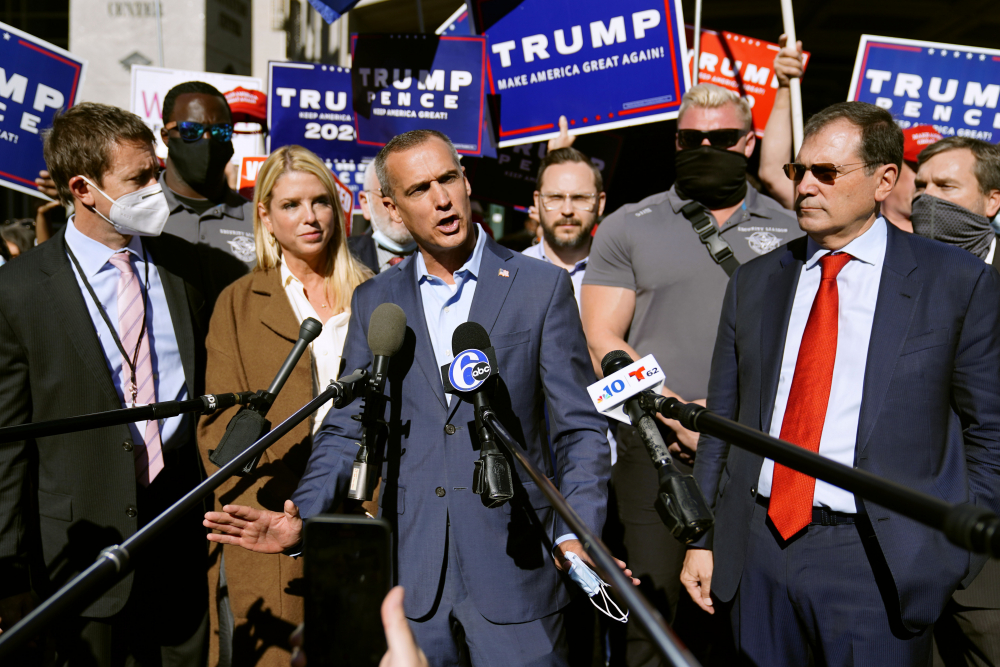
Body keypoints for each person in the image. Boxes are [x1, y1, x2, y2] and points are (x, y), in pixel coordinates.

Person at [204, 129, 635, 666]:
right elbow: (345, 426)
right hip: (412, 580)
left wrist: (577, 534)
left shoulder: (539, 287)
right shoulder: (377, 301)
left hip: (519, 570)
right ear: (392, 207)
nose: (440, 198)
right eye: (419, 189)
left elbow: (580, 430)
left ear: (465, 179)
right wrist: (305, 514)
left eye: (448, 178)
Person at [683, 101, 1000, 665]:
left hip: (881, 559)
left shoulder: (956, 283)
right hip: (757, 550)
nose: (805, 186)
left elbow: (989, 430)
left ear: (884, 180)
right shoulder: (756, 282)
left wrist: (952, 552)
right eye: (797, 171)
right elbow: (723, 428)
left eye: (826, 173)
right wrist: (702, 538)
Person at [581, 82, 800, 667]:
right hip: (653, 449)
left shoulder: (792, 228)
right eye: (691, 138)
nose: (706, 146)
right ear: (674, 141)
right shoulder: (629, 225)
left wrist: (726, 426)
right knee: (651, 618)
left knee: (746, 616)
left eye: (722, 138)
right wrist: (679, 413)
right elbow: (600, 339)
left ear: (748, 143)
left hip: (758, 452)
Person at [0, 102, 219, 665]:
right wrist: (8, 569)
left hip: (181, 541)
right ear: (84, 188)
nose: (158, 187)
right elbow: (9, 446)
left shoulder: (188, 269)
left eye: (157, 170)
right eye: (139, 178)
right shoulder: (20, 290)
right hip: (80, 553)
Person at [197, 145, 373, 667]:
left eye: (321, 202)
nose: (311, 217)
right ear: (266, 217)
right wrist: (281, 506)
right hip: (274, 509)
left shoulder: (375, 292)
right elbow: (218, 429)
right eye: (292, 205)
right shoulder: (240, 299)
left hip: (362, 512)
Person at [908, 136, 1000, 667]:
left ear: (991, 201)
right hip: (914, 526)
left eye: (945, 186)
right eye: (921, 186)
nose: (927, 201)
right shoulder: (895, 271)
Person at [159, 81, 257, 269]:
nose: (207, 139)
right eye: (191, 130)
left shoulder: (260, 222)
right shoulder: (137, 213)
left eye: (221, 131)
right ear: (166, 136)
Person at [523, 147, 604, 309]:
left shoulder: (621, 272)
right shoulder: (515, 273)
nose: (567, 210)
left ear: (600, 204)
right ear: (537, 201)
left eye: (580, 198)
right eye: (555, 197)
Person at [351, 160, 417, 273]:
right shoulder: (343, 258)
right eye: (387, 193)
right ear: (366, 203)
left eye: (411, 192)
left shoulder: (449, 255)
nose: (400, 203)